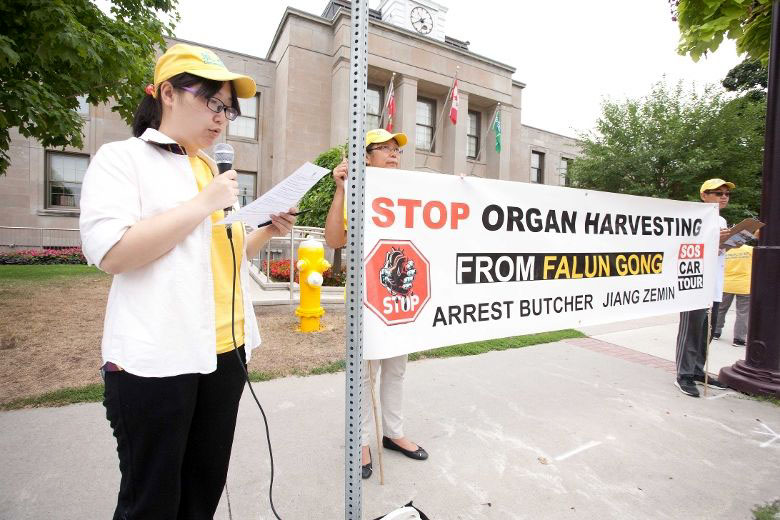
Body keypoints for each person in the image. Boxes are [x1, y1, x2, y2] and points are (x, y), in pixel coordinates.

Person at [79, 44, 297, 519]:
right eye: (212, 102)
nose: (221, 118)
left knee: (203, 490)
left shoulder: (211, 170)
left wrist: (265, 230)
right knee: (151, 500)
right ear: (166, 93)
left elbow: (221, 256)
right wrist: (203, 204)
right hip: (156, 360)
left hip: (226, 351)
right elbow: (112, 253)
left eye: (229, 110)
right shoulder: (123, 159)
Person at [324, 128, 428, 480]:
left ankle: (393, 433)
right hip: (366, 300)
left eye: (396, 149)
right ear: (366, 157)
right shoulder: (356, 189)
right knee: (364, 376)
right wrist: (341, 189)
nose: (393, 153)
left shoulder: (409, 191)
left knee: (396, 370)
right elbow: (334, 239)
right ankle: (361, 441)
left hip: (402, 298)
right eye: (383, 148)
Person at [673, 178, 734, 397]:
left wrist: (734, 239)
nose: (724, 197)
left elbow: (719, 251)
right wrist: (713, 241)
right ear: (704, 195)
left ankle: (697, 370)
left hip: (715, 286)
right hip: (695, 284)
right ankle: (684, 374)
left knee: (707, 331)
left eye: (726, 193)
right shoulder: (693, 217)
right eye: (718, 193)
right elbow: (684, 248)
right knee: (691, 330)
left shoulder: (722, 220)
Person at [713, 244, 753, 347]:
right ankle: (739, 339)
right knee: (743, 313)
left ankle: (715, 332)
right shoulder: (750, 250)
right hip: (744, 285)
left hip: (726, 284)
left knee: (721, 309)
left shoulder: (727, 250)